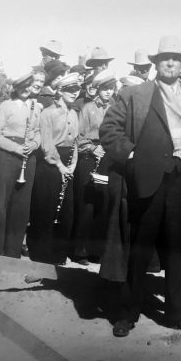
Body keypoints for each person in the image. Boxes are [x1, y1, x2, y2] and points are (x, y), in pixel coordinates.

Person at [99, 35, 181, 337]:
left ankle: (177, 313)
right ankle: (129, 312)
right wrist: (132, 154)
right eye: (165, 58)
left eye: (176, 58)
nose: (171, 63)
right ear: (156, 63)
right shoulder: (136, 94)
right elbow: (108, 129)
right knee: (140, 249)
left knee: (176, 250)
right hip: (147, 182)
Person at [0, 71, 42, 257]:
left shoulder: (36, 106)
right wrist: (15, 148)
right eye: (22, 86)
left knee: (21, 206)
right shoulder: (6, 105)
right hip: (8, 157)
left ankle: (12, 251)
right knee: (0, 204)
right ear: (16, 88)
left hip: (28, 158)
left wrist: (35, 144)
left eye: (29, 86)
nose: (26, 90)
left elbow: (38, 131)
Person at [28, 73, 80, 264]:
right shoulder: (47, 113)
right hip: (50, 166)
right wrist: (60, 165)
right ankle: (41, 255)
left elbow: (75, 142)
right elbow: (47, 145)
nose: (74, 94)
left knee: (65, 211)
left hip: (68, 165)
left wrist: (72, 165)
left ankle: (58, 255)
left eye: (76, 90)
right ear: (60, 91)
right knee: (46, 210)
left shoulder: (75, 114)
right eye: (69, 90)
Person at [71, 70, 115, 264]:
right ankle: (79, 251)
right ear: (98, 89)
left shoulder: (115, 108)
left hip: (108, 160)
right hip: (89, 159)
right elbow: (79, 137)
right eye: (105, 88)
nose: (108, 92)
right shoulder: (87, 108)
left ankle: (97, 251)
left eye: (111, 88)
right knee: (86, 205)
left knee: (103, 205)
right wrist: (92, 148)